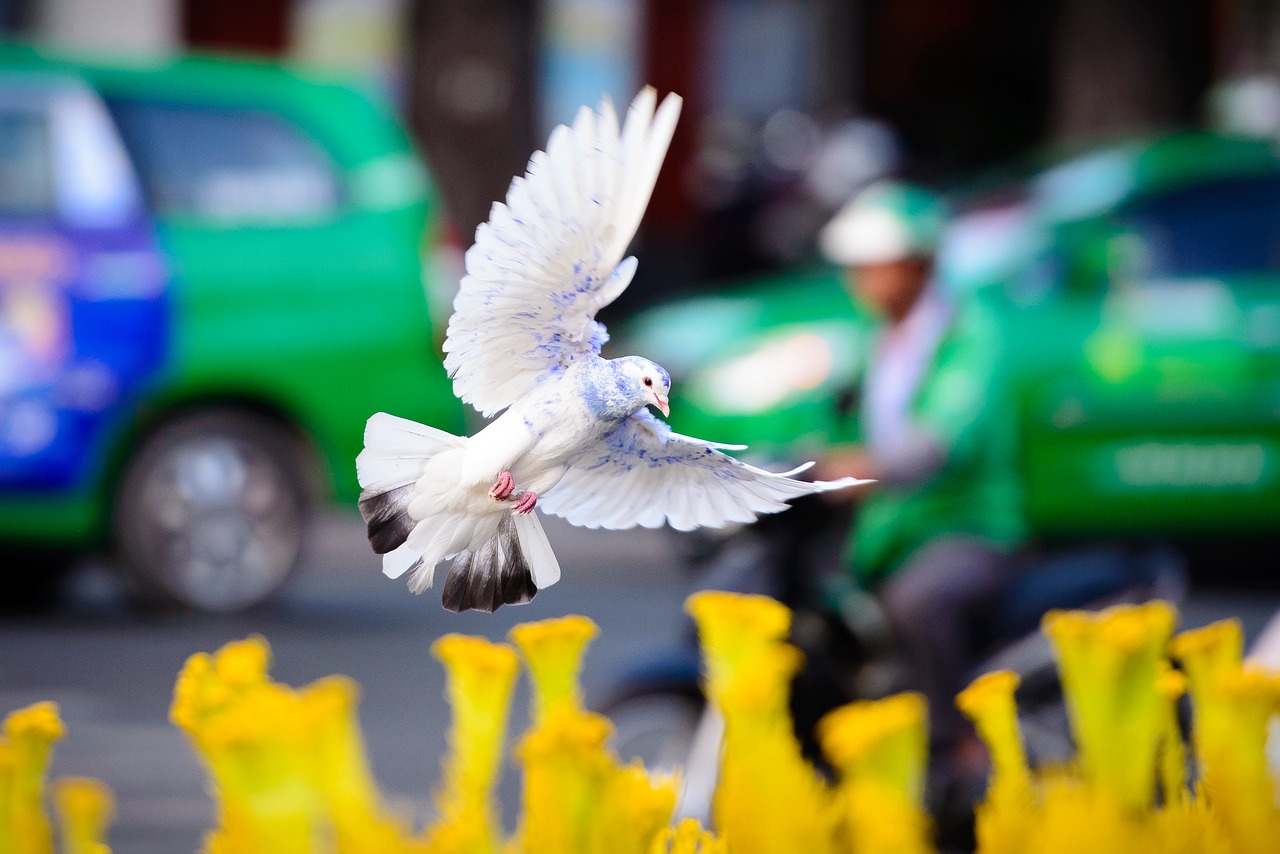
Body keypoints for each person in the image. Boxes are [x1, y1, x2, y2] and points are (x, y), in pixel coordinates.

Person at [814, 181, 1027, 766]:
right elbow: (843, 423)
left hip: (967, 527)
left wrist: (871, 468)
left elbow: (944, 437)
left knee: (917, 602)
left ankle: (956, 745)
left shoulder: (970, 334)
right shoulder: (875, 337)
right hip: (891, 528)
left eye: (873, 264)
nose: (859, 277)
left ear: (917, 262)